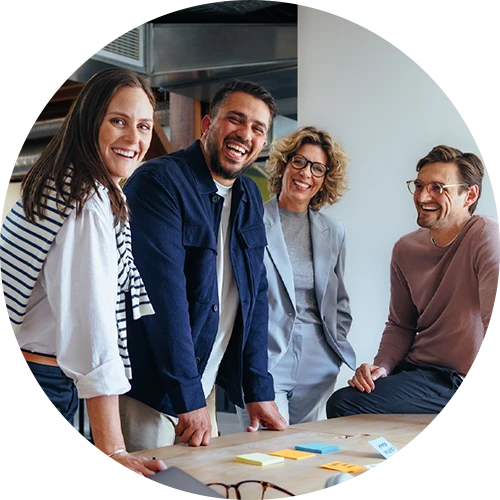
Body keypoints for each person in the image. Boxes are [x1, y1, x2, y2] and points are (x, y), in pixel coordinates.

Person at [0, 68, 167, 478]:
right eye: (118, 121)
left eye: (144, 126)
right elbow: (92, 329)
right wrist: (113, 451)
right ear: (89, 119)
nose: (134, 138)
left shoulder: (60, 180)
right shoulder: (87, 200)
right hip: (45, 383)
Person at [120, 79, 287, 452]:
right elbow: (163, 300)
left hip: (201, 384)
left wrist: (257, 388)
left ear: (263, 143)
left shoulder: (247, 196)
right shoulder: (159, 183)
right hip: (153, 390)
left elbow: (255, 296)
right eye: (235, 119)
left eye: (257, 129)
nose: (245, 134)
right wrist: (187, 396)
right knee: (143, 492)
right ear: (207, 124)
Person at [327, 145, 500, 417]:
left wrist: (493, 402)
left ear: (469, 195)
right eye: (419, 185)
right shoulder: (405, 249)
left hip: (461, 380)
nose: (422, 196)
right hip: (417, 373)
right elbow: (400, 324)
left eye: (437, 188)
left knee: (346, 405)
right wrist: (381, 368)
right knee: (346, 401)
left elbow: (497, 325)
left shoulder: (486, 236)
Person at [236, 126, 356, 427]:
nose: (305, 173)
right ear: (285, 164)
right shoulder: (250, 221)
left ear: (325, 179)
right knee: (267, 450)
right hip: (263, 355)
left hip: (319, 359)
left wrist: (335, 348)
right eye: (299, 162)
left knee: (306, 453)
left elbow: (338, 298)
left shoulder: (334, 230)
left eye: (318, 168)